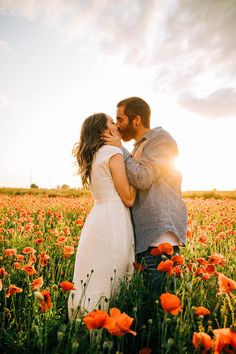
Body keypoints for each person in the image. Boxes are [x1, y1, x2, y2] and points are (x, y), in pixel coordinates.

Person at [103, 97, 188, 296]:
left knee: (161, 308)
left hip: (158, 237)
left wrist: (119, 149)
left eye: (120, 119)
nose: (117, 125)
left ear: (137, 120)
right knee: (152, 303)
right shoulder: (137, 146)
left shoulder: (160, 139)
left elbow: (143, 178)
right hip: (146, 238)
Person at [68, 113, 136, 318]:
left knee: (94, 271)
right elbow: (129, 198)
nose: (116, 125)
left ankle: (85, 325)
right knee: (113, 270)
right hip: (114, 218)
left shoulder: (93, 155)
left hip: (97, 218)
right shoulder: (113, 153)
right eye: (112, 122)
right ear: (104, 131)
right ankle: (108, 325)